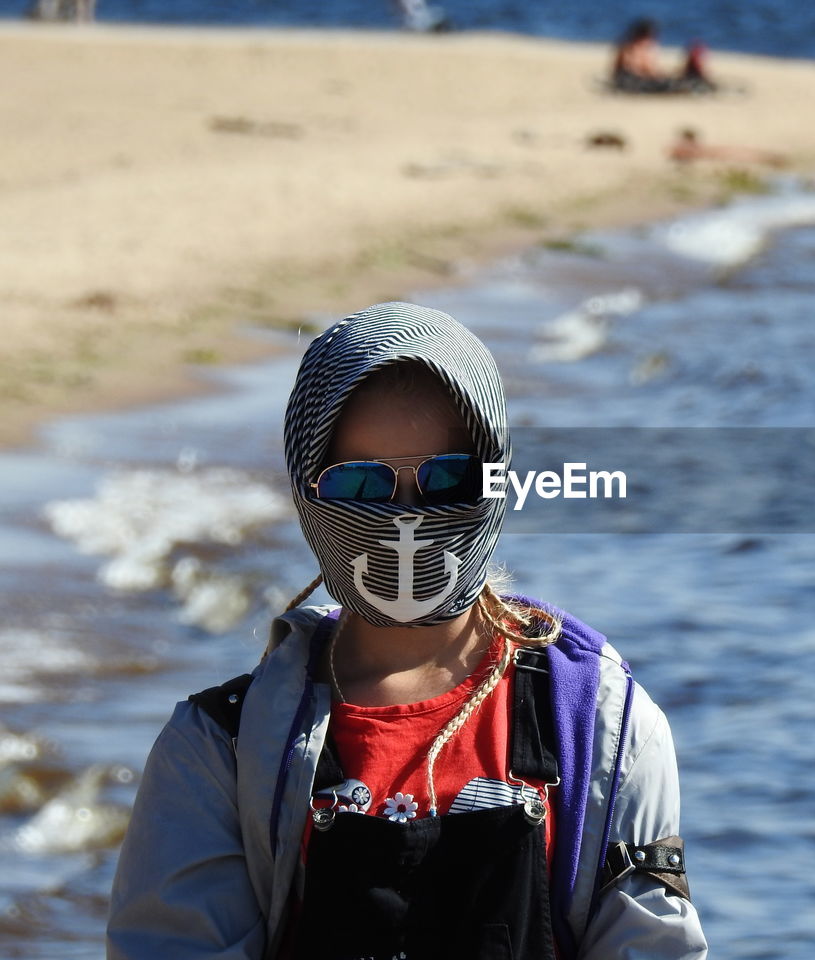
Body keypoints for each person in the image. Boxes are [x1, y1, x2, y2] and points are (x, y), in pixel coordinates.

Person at [106, 302, 707, 959]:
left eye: (448, 479)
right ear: (308, 490)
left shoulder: (603, 728)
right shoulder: (219, 751)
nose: (406, 518)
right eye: (362, 484)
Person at [610, 19, 716, 95]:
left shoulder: (632, 46)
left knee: (671, 82)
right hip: (632, 81)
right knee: (668, 85)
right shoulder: (633, 48)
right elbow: (637, 69)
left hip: (633, 80)